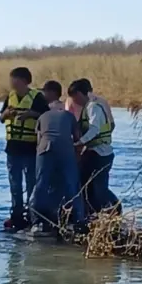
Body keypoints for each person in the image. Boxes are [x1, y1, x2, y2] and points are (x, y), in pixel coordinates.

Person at [0, 67, 50, 230]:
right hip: (12, 148)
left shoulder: (37, 97)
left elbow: (47, 117)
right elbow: (1, 118)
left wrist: (30, 114)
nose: (11, 82)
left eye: (13, 79)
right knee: (14, 184)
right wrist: (6, 114)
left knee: (31, 184)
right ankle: (16, 216)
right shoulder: (10, 97)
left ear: (22, 80)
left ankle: (32, 215)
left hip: (30, 147)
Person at [28, 107, 86, 237]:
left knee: (40, 185)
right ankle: (78, 222)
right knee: (72, 184)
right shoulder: (69, 116)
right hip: (65, 148)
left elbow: (39, 139)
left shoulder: (43, 115)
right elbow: (78, 137)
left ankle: (37, 222)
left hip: (44, 148)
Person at [67, 79, 121, 215]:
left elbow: (94, 129)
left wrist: (80, 143)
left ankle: (110, 210)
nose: (75, 101)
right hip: (93, 152)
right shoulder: (88, 106)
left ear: (79, 93)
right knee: (86, 184)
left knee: (98, 187)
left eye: (75, 98)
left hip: (100, 153)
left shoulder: (93, 107)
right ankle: (92, 212)